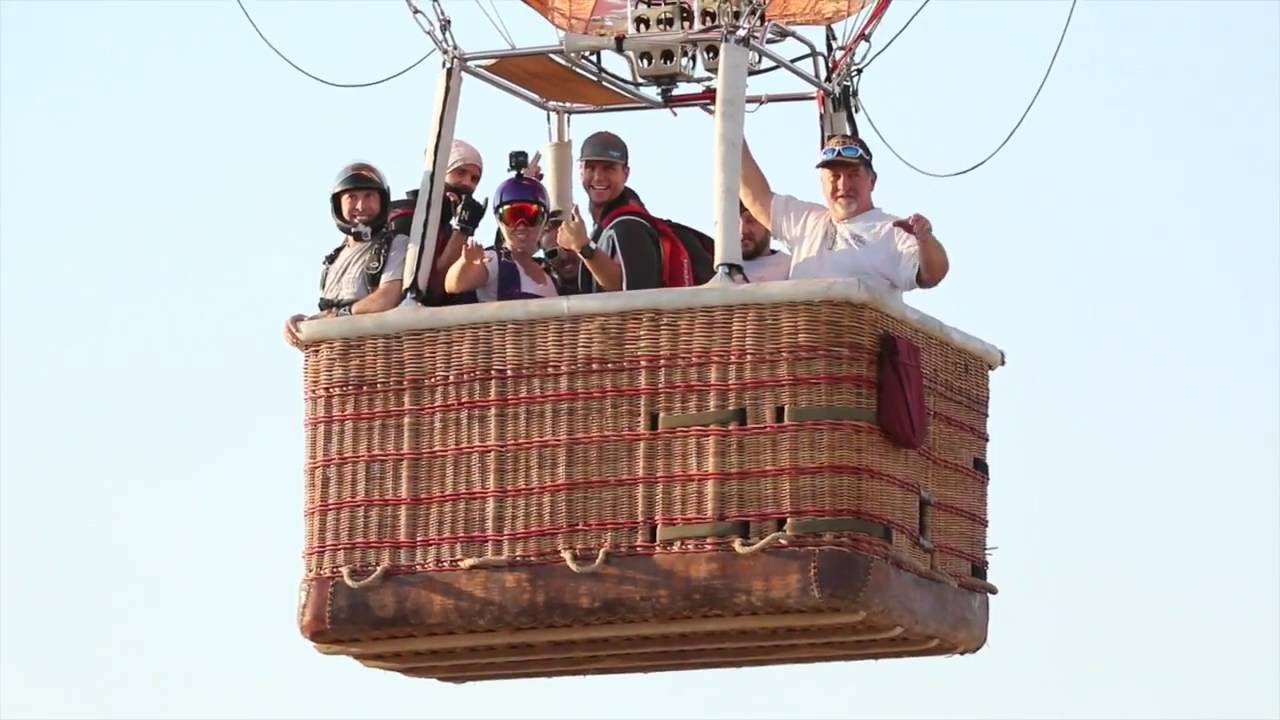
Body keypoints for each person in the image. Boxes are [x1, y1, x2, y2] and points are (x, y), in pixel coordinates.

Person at [739, 134, 949, 296]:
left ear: (872, 181)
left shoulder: (893, 230)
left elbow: (932, 275)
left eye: (853, 175)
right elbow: (755, 197)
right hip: (805, 346)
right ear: (822, 182)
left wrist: (925, 238)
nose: (843, 185)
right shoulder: (807, 220)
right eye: (834, 176)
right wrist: (729, 121)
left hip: (856, 348)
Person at [283, 162, 408, 349]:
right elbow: (327, 313)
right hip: (334, 364)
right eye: (351, 197)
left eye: (369, 196)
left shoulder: (395, 244)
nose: (361, 205)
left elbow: (386, 299)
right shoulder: (335, 258)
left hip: (375, 354)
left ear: (382, 200)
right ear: (338, 204)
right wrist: (303, 324)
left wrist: (339, 315)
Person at [555, 131, 662, 293]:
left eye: (609, 168)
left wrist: (583, 246)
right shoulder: (605, 226)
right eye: (590, 168)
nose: (598, 177)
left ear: (625, 174)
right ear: (581, 171)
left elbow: (633, 294)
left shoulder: (629, 225)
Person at [390, 139, 487, 306]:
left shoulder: (448, 229)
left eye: (474, 179)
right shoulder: (406, 217)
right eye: (460, 173)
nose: (467, 184)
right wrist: (463, 229)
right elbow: (430, 289)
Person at [444, 171, 558, 302]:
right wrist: (466, 263)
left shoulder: (550, 274)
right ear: (499, 220)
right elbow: (454, 285)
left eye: (531, 216)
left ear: (544, 220)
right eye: (512, 215)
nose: (521, 225)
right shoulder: (493, 260)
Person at [739, 202, 791, 282]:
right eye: (736, 223)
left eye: (751, 220)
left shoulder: (791, 267)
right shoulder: (720, 272)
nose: (743, 230)